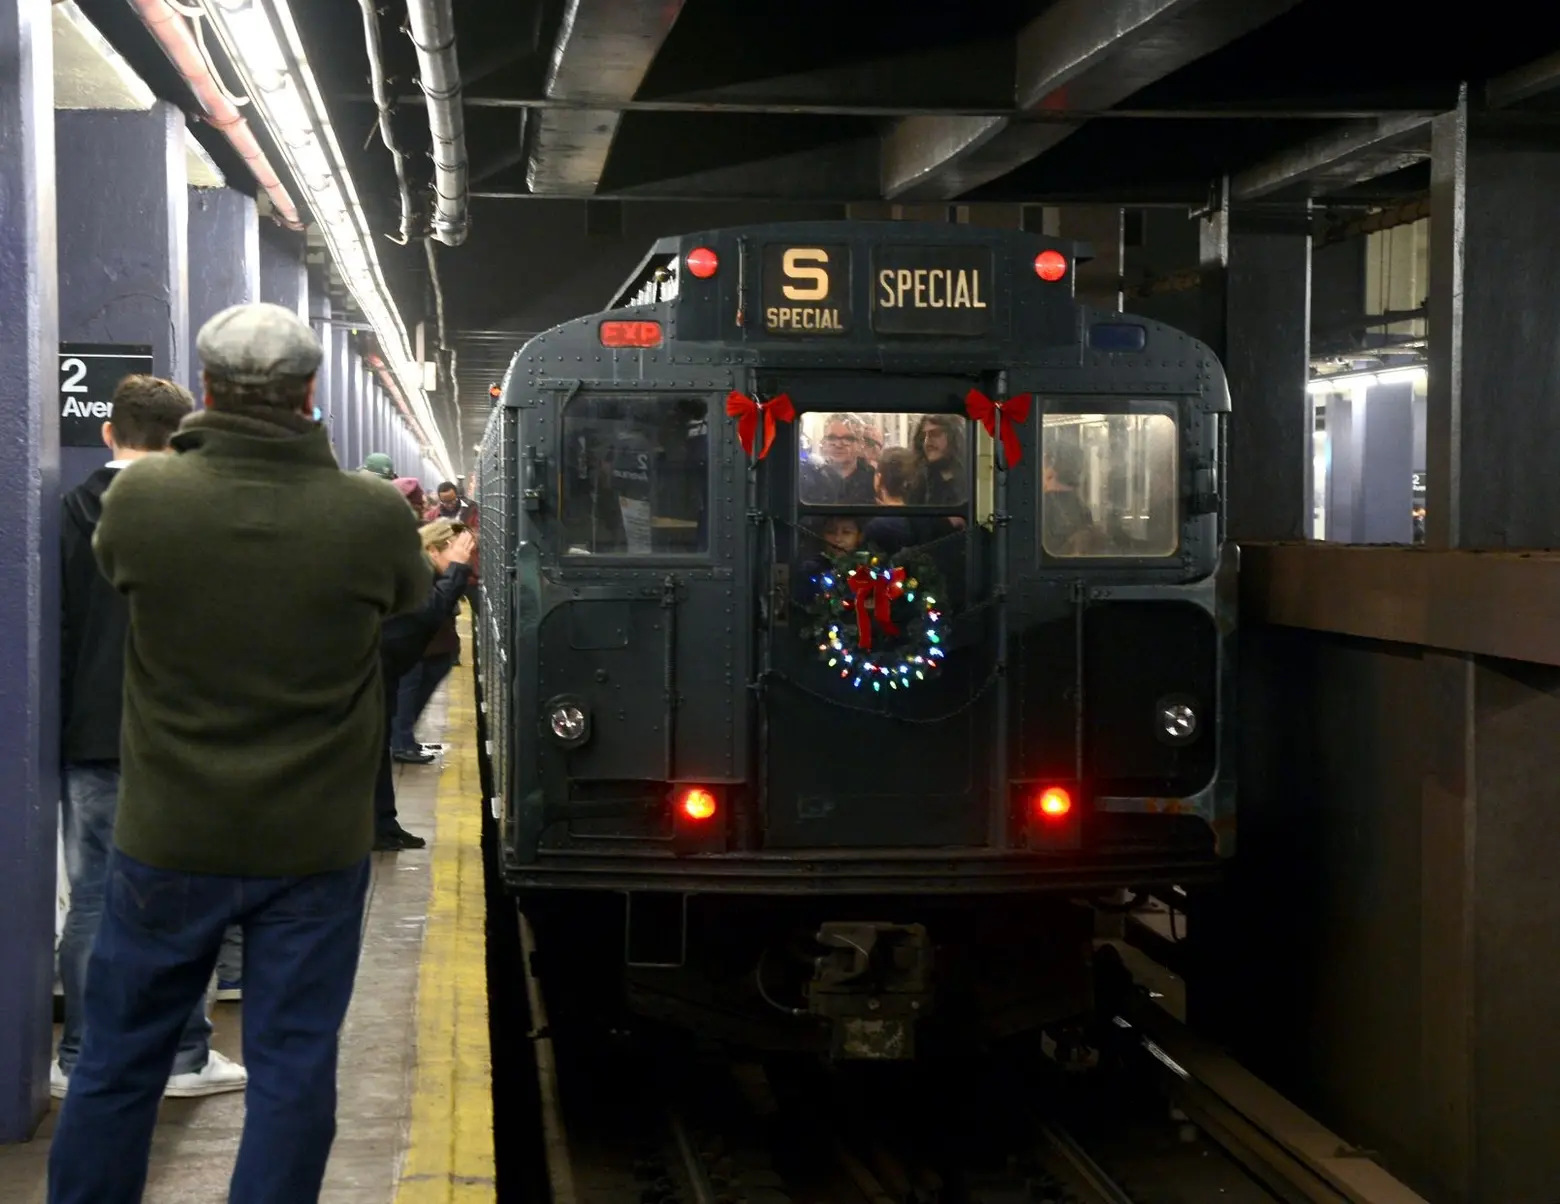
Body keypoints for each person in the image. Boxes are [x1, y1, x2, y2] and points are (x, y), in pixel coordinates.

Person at [47, 302, 431, 1204]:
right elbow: (407, 598)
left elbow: (116, 568)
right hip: (313, 848)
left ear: (207, 392)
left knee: (119, 1061)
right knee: (293, 1068)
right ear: (310, 396)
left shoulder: (144, 499)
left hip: (170, 834)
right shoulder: (369, 515)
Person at [56, 374, 247, 1101]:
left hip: (91, 739)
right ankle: (183, 1056)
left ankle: (77, 1058)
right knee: (184, 898)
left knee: (97, 900)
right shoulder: (203, 517)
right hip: (178, 740)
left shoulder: (67, 512)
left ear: (108, 433)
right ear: (181, 438)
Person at [376, 520, 477, 846]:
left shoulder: (422, 572)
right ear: (433, 549)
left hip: (381, 674)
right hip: (370, 675)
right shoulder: (413, 576)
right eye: (456, 550)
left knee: (376, 753)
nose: (464, 557)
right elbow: (427, 614)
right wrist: (458, 570)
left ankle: (383, 826)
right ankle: (376, 827)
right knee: (370, 753)